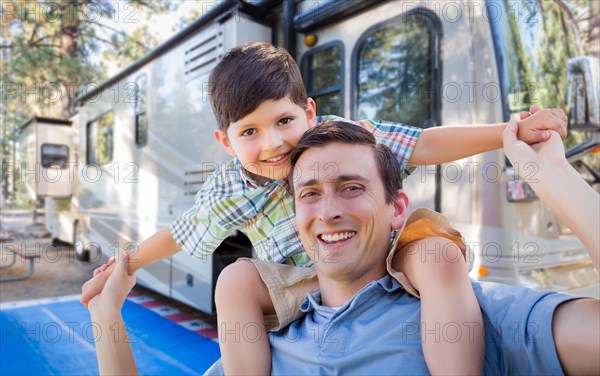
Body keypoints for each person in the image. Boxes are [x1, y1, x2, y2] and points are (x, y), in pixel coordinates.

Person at [82, 43, 568, 375]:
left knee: (438, 256)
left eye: (284, 121)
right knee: (234, 281)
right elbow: (181, 232)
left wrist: (508, 133)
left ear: (310, 113)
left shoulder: (341, 138)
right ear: (225, 143)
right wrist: (124, 266)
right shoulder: (230, 188)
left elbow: (422, 144)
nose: (272, 144)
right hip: (303, 278)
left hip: (381, 250)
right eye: (249, 132)